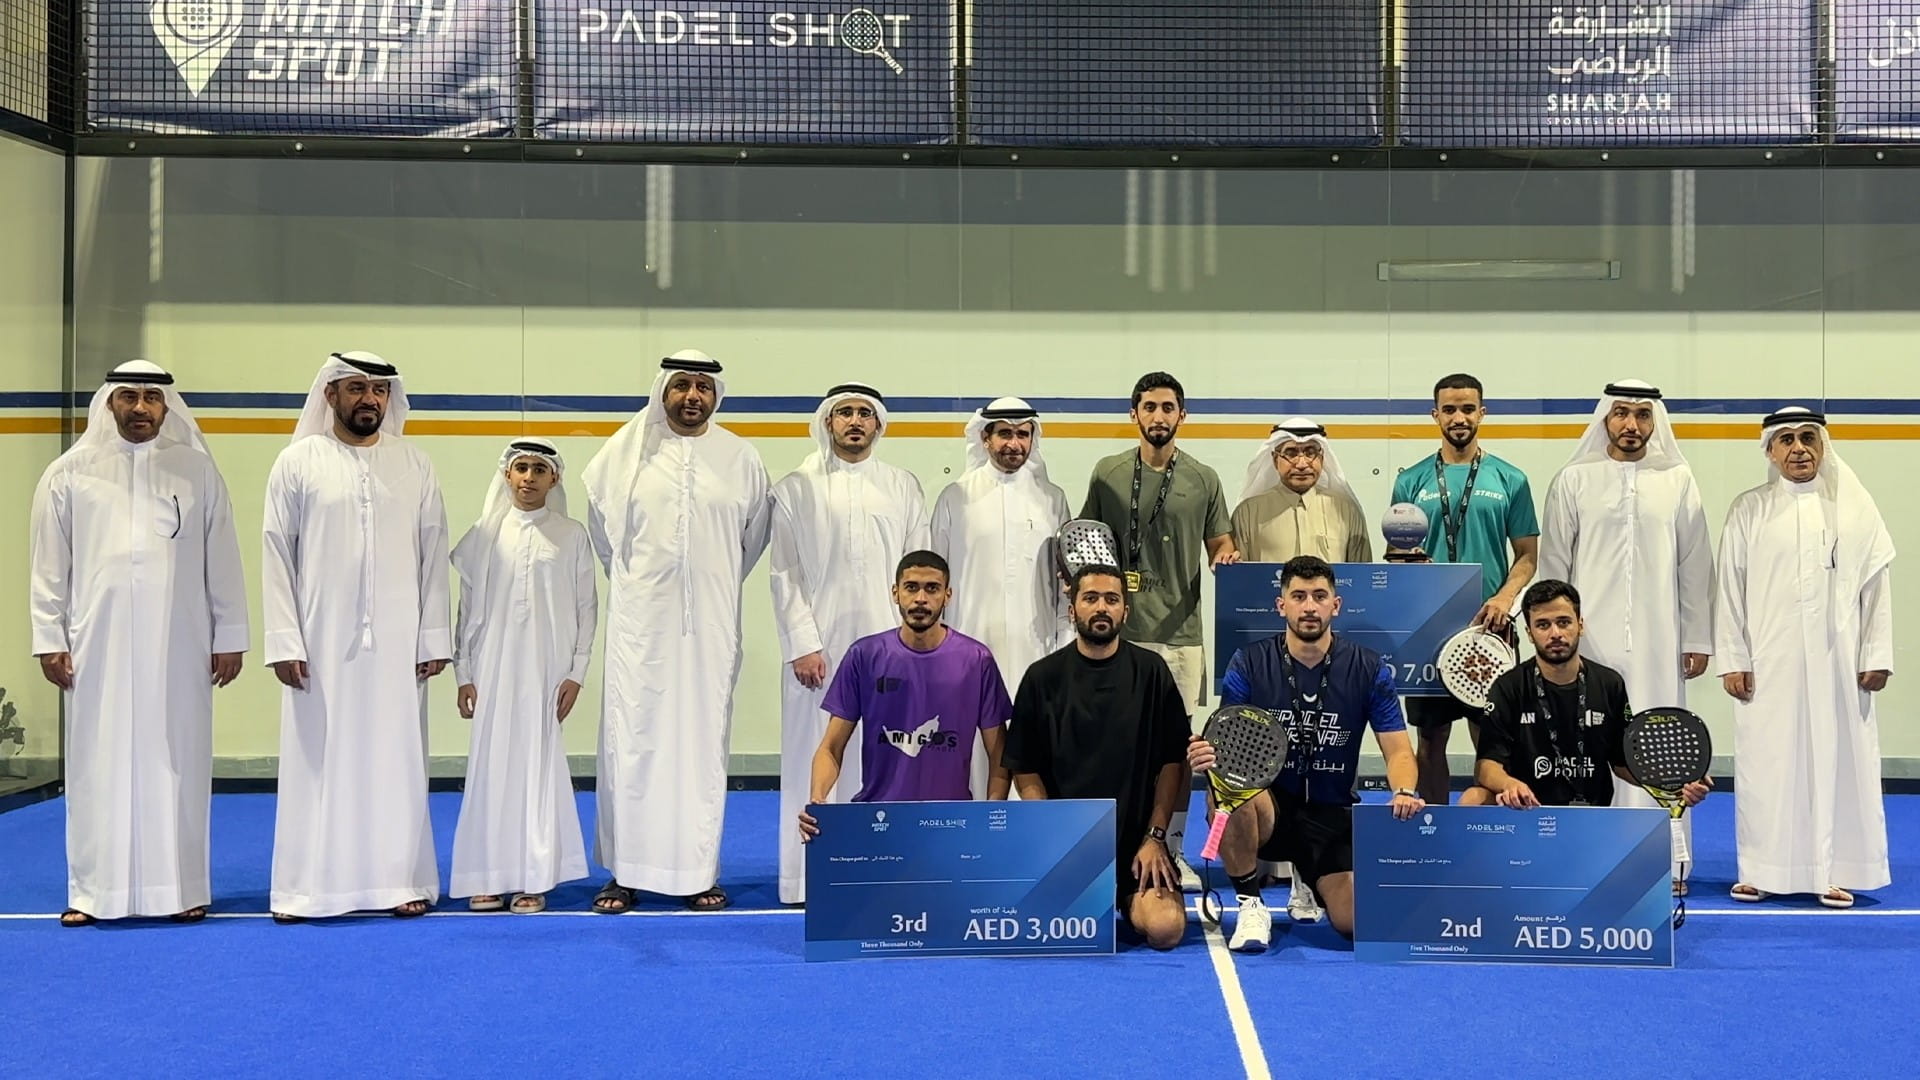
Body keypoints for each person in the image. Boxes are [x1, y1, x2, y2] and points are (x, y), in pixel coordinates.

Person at [29, 360, 248, 927]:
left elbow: (222, 560)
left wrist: (231, 636)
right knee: (94, 763)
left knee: (178, 758)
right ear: (109, 404)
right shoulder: (69, 474)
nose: (141, 408)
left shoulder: (197, 471)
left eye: (152, 398)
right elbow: (49, 567)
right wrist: (49, 636)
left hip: (181, 645)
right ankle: (92, 893)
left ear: (167, 407)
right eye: (129, 397)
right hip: (95, 645)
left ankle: (183, 890)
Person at [262, 351, 452, 922]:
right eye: (356, 388)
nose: (369, 399)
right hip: (318, 643)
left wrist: (433, 638)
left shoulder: (414, 463)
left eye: (378, 390)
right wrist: (284, 640)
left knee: (396, 758)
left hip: (397, 643)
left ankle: (399, 882)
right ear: (330, 395)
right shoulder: (297, 462)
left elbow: (433, 553)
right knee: (316, 758)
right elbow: (277, 553)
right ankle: (306, 891)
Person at [583, 350, 772, 914]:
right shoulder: (621, 455)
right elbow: (605, 539)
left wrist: (706, 582)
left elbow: (752, 538)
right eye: (682, 385)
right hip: (640, 629)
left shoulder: (741, 457)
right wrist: (650, 587)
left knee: (702, 743)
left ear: (717, 394)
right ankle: (625, 872)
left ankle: (696, 871)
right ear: (662, 389)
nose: (693, 396)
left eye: (703, 387)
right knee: (632, 740)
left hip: (710, 627)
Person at [1186, 555, 1421, 950]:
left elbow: (1397, 748)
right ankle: (1250, 903)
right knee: (1228, 791)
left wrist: (1403, 791)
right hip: (1270, 809)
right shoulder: (1249, 662)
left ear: (1336, 605)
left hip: (1331, 814)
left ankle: (1311, 880)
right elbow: (1228, 745)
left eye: (1318, 596)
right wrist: (1207, 758)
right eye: (1298, 596)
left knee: (1355, 922)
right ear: (1282, 605)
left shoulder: (1368, 667)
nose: (1309, 606)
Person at [1538, 380, 1714, 894]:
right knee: (1593, 742)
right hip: (1588, 646)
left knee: (1663, 745)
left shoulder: (1678, 479)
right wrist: (1551, 634)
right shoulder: (1574, 478)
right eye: (1621, 414)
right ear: (1604, 419)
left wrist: (1697, 637)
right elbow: (1554, 566)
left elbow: (1694, 565)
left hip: (1662, 641)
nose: (1631, 425)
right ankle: (1592, 857)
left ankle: (1667, 862)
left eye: (1641, 414)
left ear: (1654, 420)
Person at [1715, 407, 1894, 909]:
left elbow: (1876, 587)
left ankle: (1834, 870)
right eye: (1787, 439)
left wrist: (1876, 652)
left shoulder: (1854, 511)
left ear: (1823, 446)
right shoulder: (1748, 509)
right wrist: (1733, 656)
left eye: (1809, 438)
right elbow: (1729, 589)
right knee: (1766, 764)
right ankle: (1761, 870)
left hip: (1840, 665)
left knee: (1839, 763)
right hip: (1767, 665)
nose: (1799, 448)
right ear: (1770, 450)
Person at [771, 384, 928, 905]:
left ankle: (883, 870)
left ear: (878, 425)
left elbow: (917, 570)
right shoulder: (795, 488)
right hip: (820, 652)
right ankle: (807, 879)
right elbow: (785, 573)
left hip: (891, 648)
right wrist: (801, 643)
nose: (855, 422)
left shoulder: (903, 485)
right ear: (828, 422)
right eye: (845, 414)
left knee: (889, 757)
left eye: (865, 414)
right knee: (815, 756)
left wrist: (913, 642)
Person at [1079, 372, 1236, 890]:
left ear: (1182, 416)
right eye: (1149, 406)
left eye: (1168, 407)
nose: (1159, 416)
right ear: (1134, 414)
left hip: (1183, 635)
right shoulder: (1106, 474)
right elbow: (1087, 548)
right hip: (1120, 636)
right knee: (1118, 743)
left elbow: (1220, 545)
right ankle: (1112, 848)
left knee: (1178, 748)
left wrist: (1227, 558)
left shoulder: (1205, 477)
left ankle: (1172, 850)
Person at [1001, 564, 1191, 950]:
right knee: (1035, 930)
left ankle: (1120, 895)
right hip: (1068, 847)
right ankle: (1085, 894)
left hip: (1137, 847)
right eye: (1090, 598)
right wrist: (1055, 837)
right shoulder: (1041, 678)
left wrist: (1155, 838)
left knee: (1166, 928)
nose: (1101, 607)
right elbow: (1025, 768)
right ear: (1072, 610)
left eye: (1111, 599)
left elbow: (1173, 762)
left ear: (1125, 611)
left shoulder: (1152, 673)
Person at [448, 438, 596, 914]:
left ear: (554, 479)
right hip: (491, 666)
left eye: (539, 469)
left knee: (536, 764)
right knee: (491, 766)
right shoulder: (483, 536)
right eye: (520, 468)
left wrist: (576, 671)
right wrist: (463, 672)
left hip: (547, 671)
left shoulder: (572, 535)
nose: (529, 477)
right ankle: (487, 875)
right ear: (507, 476)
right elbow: (466, 610)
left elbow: (587, 609)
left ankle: (534, 877)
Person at [1389, 373, 1540, 805]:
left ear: (1482, 414)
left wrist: (1505, 597)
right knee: (1430, 738)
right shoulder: (1411, 481)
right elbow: (1397, 555)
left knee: (1492, 741)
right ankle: (1434, 829)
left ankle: (1486, 835)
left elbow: (1526, 556)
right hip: (1428, 631)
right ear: (1435, 415)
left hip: (1489, 629)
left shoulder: (1511, 479)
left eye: (1468, 408)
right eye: (1450, 409)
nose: (1459, 417)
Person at [796, 551, 1013, 845]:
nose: (921, 598)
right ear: (895, 593)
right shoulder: (864, 656)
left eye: (932, 588)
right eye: (911, 587)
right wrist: (817, 799)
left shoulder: (977, 660)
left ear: (947, 596)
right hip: (878, 820)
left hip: (951, 825)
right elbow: (831, 748)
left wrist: (993, 815)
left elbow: (999, 753)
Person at [928, 396, 1072, 798]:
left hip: (1036, 650)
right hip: (968, 650)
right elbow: (935, 577)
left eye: (1023, 434)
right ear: (985, 438)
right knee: (969, 749)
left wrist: (1063, 647)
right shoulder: (955, 497)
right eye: (1004, 434)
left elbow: (1065, 580)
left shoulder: (1052, 499)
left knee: (1034, 748)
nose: (1014, 444)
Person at [1471, 580, 1710, 813]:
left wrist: (1676, 782)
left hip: (1592, 815)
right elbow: (1486, 765)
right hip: (1528, 811)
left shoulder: (1609, 684)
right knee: (1473, 799)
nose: (1555, 633)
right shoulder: (1508, 687)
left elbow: (1623, 762)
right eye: (1543, 625)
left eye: (1563, 622)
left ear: (1580, 625)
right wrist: (1509, 784)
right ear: (1530, 633)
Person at [1231, 418, 1373, 564]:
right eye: (1291, 454)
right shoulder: (1247, 513)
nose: (1302, 464)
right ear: (1275, 460)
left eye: (1310, 453)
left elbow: (1362, 577)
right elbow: (1239, 578)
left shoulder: (1346, 511)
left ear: (1322, 458)